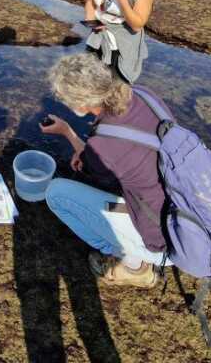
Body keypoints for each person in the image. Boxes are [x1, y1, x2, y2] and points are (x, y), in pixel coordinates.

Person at [40, 52, 171, 289]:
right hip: (185, 209)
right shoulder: (143, 94)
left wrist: (68, 133)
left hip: (164, 238)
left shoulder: (104, 146)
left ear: (80, 105)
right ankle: (136, 252)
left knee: (56, 192)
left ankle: (130, 262)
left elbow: (98, 168)